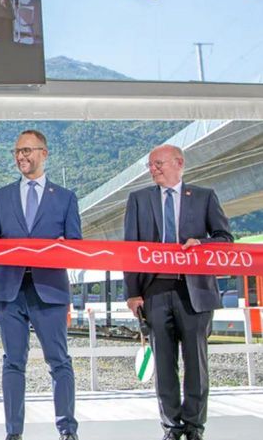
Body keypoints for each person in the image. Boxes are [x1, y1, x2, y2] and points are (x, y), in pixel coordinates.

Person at [124, 144, 233, 440]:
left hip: (195, 291)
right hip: (155, 291)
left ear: (179, 163)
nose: (153, 169)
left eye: (158, 163)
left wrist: (202, 244)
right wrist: (132, 293)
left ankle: (194, 426)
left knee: (196, 363)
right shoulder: (138, 199)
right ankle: (171, 426)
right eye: (150, 165)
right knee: (163, 364)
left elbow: (225, 239)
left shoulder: (204, 196)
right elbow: (129, 249)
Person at [0, 129, 80, 440]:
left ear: (43, 153)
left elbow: (76, 244)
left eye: (26, 150)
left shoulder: (65, 198)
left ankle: (67, 430)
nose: (20, 156)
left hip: (49, 290)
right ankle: (13, 433)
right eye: (17, 152)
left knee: (59, 361)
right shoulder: (0, 196)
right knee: (13, 362)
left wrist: (65, 246)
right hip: (8, 290)